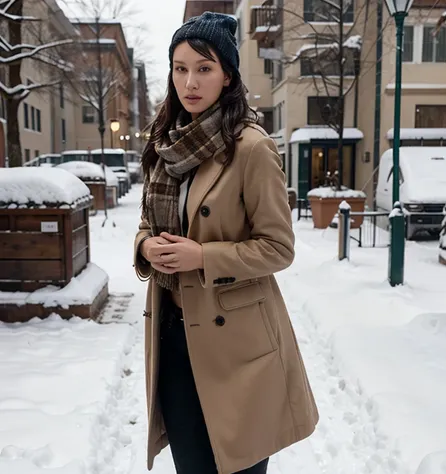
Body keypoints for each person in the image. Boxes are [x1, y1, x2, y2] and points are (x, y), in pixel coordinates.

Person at [133, 12, 319, 474]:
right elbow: (147, 222)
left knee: (238, 467)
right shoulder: (164, 145)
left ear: (227, 75)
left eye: (204, 68)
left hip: (237, 344)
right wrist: (144, 247)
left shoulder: (250, 147)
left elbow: (279, 247)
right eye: (180, 68)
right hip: (174, 336)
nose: (190, 81)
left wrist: (202, 256)